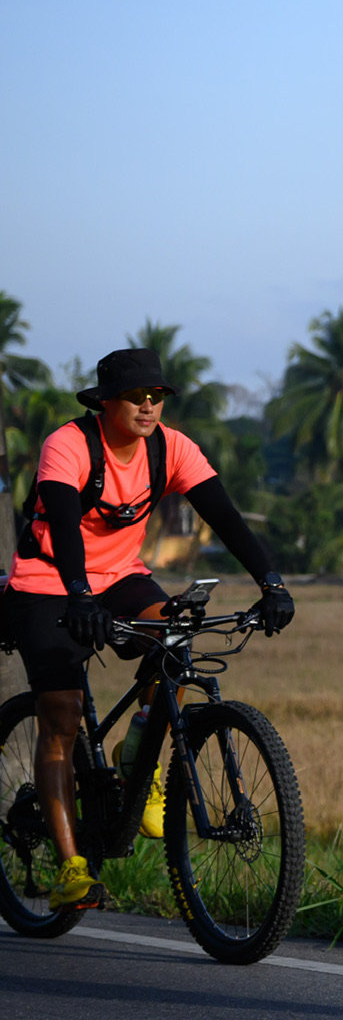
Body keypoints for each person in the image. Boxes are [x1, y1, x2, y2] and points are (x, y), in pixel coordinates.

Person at [1, 347, 294, 911]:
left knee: (177, 640)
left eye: (157, 396)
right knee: (60, 716)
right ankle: (71, 868)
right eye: (137, 396)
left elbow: (226, 517)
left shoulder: (171, 447)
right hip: (47, 582)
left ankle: (137, 759)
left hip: (120, 577)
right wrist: (80, 597)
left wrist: (271, 583)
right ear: (105, 402)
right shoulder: (69, 445)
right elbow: (61, 525)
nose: (148, 406)